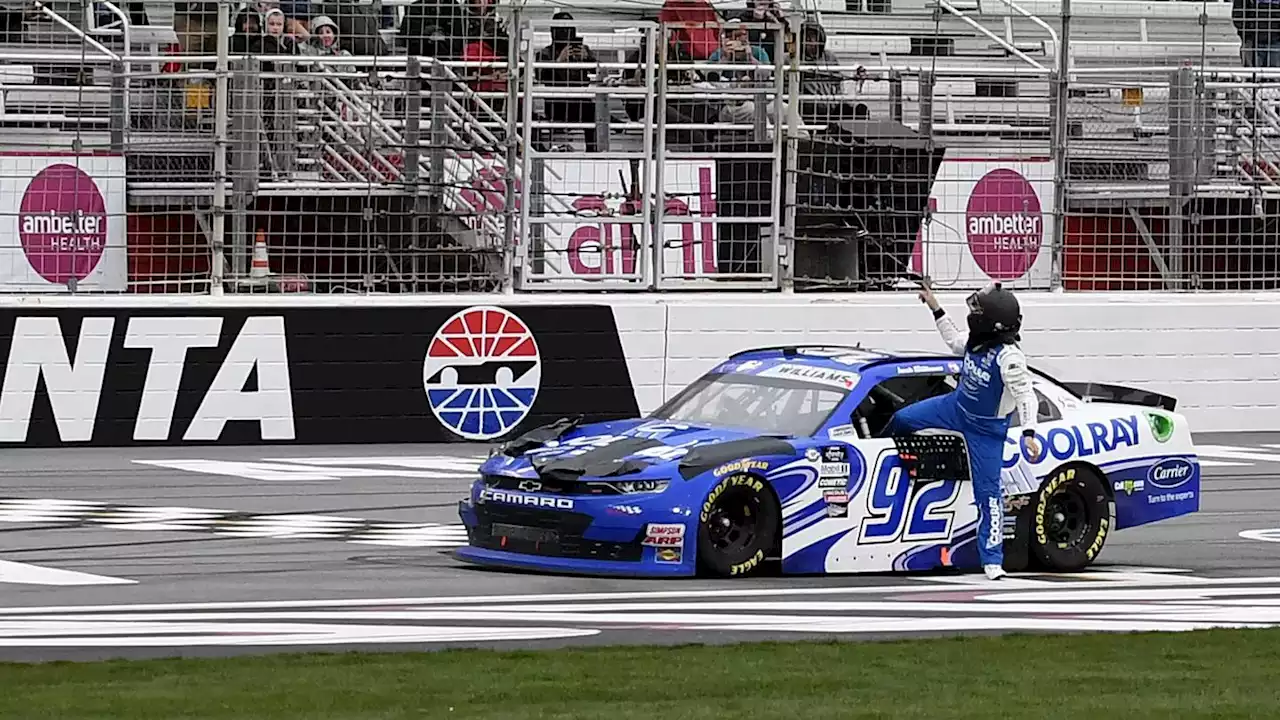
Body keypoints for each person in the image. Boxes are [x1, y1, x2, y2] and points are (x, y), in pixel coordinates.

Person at [883, 281, 1043, 581]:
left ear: (991, 321)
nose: (973, 313)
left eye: (979, 309)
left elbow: (1026, 396)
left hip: (987, 430)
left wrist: (1029, 433)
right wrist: (934, 305)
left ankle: (992, 560)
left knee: (989, 494)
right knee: (903, 419)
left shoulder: (1010, 358)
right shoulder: (975, 339)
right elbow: (952, 340)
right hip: (954, 407)